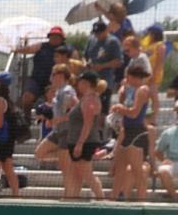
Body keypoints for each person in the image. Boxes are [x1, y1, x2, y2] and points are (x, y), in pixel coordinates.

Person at [109, 63, 152, 202]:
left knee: (137, 170)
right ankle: (113, 199)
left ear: (132, 76)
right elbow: (125, 103)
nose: (125, 78)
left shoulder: (142, 90)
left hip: (137, 132)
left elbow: (134, 113)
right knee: (119, 169)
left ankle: (142, 202)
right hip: (126, 131)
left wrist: (121, 108)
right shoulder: (130, 90)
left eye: (127, 76)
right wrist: (122, 94)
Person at [35, 65, 79, 197]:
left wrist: (61, 119)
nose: (52, 77)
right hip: (56, 131)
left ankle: (70, 197)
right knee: (39, 153)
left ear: (61, 76)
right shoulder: (59, 91)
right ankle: (65, 157)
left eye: (54, 75)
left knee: (66, 169)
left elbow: (76, 108)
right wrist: (53, 119)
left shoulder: (67, 90)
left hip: (66, 131)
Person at [66, 71, 108, 200]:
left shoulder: (90, 99)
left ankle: (101, 198)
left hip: (85, 141)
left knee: (86, 173)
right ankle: (73, 198)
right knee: (77, 172)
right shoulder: (87, 98)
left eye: (80, 82)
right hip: (78, 140)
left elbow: (88, 124)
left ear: (86, 83)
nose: (78, 84)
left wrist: (80, 144)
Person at [13, 25, 66, 111]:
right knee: (27, 96)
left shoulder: (66, 49)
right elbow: (29, 49)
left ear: (62, 38)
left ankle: (50, 119)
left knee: (52, 98)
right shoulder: (42, 46)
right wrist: (17, 50)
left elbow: (75, 57)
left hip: (54, 80)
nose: (54, 38)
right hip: (36, 79)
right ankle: (26, 119)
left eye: (57, 36)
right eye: (52, 36)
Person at [85, 21, 123, 110]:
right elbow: (85, 56)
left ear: (106, 30)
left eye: (99, 32)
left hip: (105, 80)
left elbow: (119, 61)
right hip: (91, 80)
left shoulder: (113, 42)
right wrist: (86, 63)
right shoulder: (91, 39)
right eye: (95, 33)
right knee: (89, 107)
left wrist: (102, 66)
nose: (97, 35)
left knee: (103, 108)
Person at [154, 120, 178, 199]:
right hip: (172, 162)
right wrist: (164, 159)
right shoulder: (168, 133)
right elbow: (157, 152)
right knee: (163, 171)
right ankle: (175, 198)